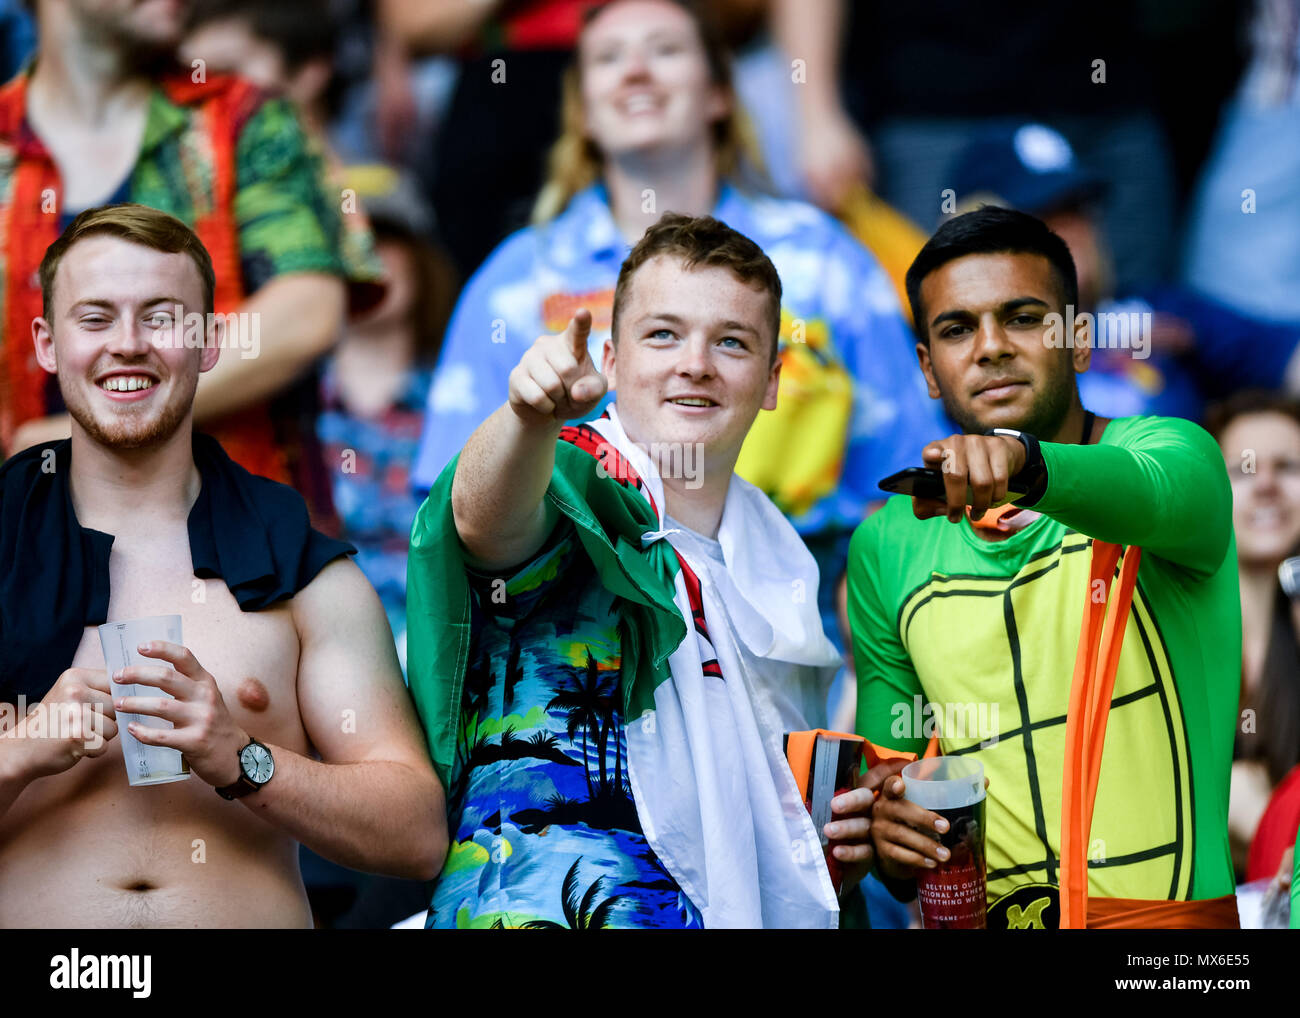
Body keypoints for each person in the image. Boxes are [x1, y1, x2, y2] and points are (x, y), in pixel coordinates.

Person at [412, 0, 945, 678]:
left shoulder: (824, 259)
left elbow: (902, 484)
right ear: (584, 109)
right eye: (608, 57)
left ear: (720, 92)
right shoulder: (516, 279)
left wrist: (877, 657)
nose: (635, 70)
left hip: (812, 639)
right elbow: (447, 512)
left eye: (664, 49)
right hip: (585, 654)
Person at [407, 212, 896, 928]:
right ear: (611, 360)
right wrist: (524, 417)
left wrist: (824, 848)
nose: (694, 363)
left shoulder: (780, 553)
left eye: (731, 342)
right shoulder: (567, 471)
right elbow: (480, 522)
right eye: (662, 334)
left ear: (769, 380)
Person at [0, 204, 444, 927]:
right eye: (96, 318)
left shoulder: (294, 560)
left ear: (207, 342)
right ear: (48, 344)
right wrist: (19, 750)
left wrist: (241, 757)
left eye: (161, 318)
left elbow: (417, 834)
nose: (129, 345)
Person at [850, 206, 1241, 929]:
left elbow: (1158, 492)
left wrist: (1023, 463)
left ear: (1081, 341)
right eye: (957, 328)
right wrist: (890, 836)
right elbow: (894, 789)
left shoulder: (1175, 450)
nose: (991, 347)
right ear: (927, 370)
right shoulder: (884, 544)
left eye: (1024, 318)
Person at [0, 0, 383, 534]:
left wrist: (85, 423)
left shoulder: (245, 118)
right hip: (31, 551)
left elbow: (307, 314)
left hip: (243, 552)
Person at [1207, 392, 1300, 879]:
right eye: (1243, 470)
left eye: (1287, 467)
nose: (1266, 485)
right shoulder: (1165, 628)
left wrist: (1267, 821)